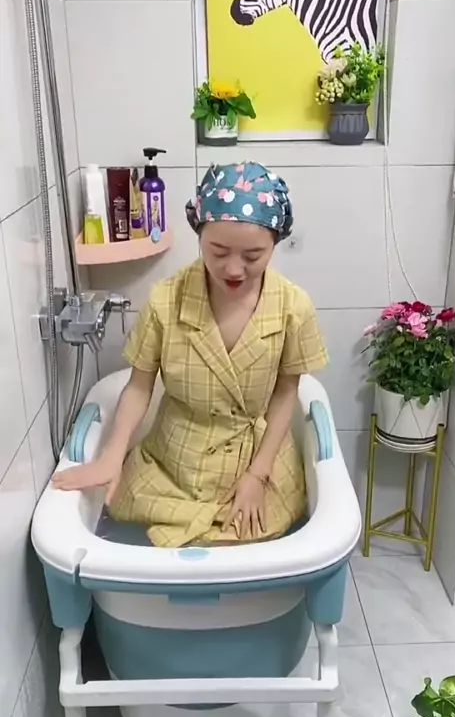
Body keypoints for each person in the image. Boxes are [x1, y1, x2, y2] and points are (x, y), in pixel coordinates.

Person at [53, 162, 328, 547]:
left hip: (255, 456)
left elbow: (287, 394)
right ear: (198, 234)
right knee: (151, 538)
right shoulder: (166, 299)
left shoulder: (293, 307)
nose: (234, 269)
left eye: (253, 256)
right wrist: (111, 457)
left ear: (276, 242)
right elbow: (139, 387)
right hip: (173, 462)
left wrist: (258, 475)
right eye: (218, 251)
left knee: (247, 540)